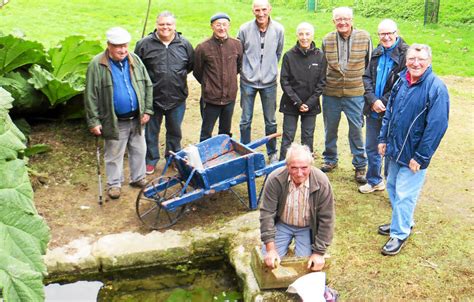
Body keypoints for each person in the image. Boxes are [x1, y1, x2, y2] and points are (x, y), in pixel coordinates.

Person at [378, 44, 449, 256]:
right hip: (394, 149)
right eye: (412, 59)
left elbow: (437, 126)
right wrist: (383, 138)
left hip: (413, 155)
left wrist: (421, 156)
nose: (415, 63)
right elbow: (389, 112)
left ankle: (399, 234)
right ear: (406, 60)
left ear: (429, 62)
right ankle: (403, 221)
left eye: (421, 60)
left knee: (404, 194)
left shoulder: (436, 88)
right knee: (391, 186)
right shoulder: (402, 80)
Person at [84, 27, 153, 199]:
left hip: (137, 117)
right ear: (109, 46)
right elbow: (90, 95)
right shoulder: (97, 64)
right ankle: (114, 184)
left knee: (139, 149)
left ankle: (138, 178)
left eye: (125, 45)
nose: (122, 50)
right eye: (118, 46)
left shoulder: (134, 59)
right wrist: (93, 121)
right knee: (114, 154)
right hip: (114, 120)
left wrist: (147, 110)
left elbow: (147, 85)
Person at [134, 11, 194, 175]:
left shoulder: (184, 45)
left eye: (169, 24)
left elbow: (190, 66)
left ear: (174, 26)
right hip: (152, 100)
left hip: (177, 98)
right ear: (156, 25)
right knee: (151, 133)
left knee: (175, 131)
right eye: (162, 24)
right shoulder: (144, 44)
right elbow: (137, 70)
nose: (165, 27)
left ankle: (173, 157)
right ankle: (151, 160)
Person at [260, 143, 335, 271]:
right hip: (282, 224)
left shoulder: (322, 182)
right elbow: (267, 214)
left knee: (306, 266)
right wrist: (270, 249)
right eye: (294, 168)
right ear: (287, 166)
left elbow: (327, 219)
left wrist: (318, 252)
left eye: (304, 167)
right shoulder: (274, 179)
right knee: (267, 261)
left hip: (307, 228)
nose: (299, 173)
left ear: (311, 165)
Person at [321, 7, 372, 184]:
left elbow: (369, 65)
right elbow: (322, 66)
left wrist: (367, 91)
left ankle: (360, 165)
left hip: (355, 93)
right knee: (330, 128)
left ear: (352, 20)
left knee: (356, 130)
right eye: (338, 19)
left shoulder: (364, 37)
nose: (342, 22)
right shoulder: (326, 39)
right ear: (333, 21)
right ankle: (330, 159)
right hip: (331, 92)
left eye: (346, 19)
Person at [358, 19, 409, 194]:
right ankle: (374, 180)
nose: (386, 37)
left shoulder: (406, 55)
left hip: (394, 112)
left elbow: (403, 83)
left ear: (397, 32)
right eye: (382, 34)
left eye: (389, 33)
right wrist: (373, 100)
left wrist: (383, 102)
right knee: (372, 146)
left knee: (391, 150)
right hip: (373, 109)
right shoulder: (377, 52)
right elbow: (366, 78)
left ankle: (392, 187)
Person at [237, 0, 284, 163]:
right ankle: (245, 152)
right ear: (253, 11)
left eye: (264, 9)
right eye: (257, 10)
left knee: (270, 121)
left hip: (269, 82)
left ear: (270, 9)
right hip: (247, 81)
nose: (261, 13)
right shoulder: (244, 29)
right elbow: (239, 53)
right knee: (245, 120)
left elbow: (278, 52)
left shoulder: (279, 29)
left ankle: (272, 152)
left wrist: (268, 69)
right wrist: (246, 71)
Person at [279, 22, 327, 160]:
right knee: (288, 136)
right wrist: (297, 102)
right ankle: (283, 166)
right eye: (301, 34)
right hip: (291, 103)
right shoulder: (289, 56)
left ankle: (306, 166)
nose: (304, 37)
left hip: (311, 105)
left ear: (312, 35)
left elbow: (322, 82)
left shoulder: (320, 56)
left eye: (307, 34)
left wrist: (309, 103)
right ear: (297, 35)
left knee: (308, 136)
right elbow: (284, 81)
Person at [193, 13, 243, 142]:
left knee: (225, 132)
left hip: (229, 97)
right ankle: (203, 160)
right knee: (206, 132)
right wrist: (208, 85)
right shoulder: (202, 47)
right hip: (210, 99)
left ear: (229, 26)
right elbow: (197, 71)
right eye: (218, 25)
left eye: (224, 24)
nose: (222, 28)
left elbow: (238, 67)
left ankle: (222, 158)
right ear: (212, 26)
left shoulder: (236, 45)